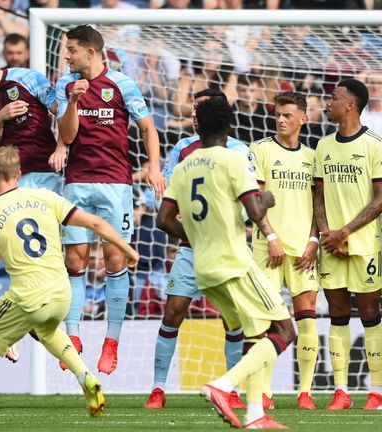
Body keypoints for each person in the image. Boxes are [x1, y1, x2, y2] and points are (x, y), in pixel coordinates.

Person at [0, 146, 139, 424]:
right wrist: (127, 249)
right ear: (18, 172)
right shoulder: (46, 197)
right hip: (62, 293)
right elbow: (96, 223)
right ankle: (85, 376)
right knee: (46, 330)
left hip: (29, 296)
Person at [157, 97, 294, 429]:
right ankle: (223, 385)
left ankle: (255, 415)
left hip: (203, 267)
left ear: (198, 126)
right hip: (234, 262)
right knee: (285, 331)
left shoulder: (184, 165)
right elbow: (254, 211)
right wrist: (268, 198)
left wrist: (198, 237)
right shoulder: (234, 160)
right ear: (230, 126)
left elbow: (163, 219)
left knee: (256, 333)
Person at [55, 25, 165, 374]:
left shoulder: (121, 84)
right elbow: (67, 135)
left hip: (115, 184)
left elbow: (148, 127)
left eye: (71, 50)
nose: (66, 56)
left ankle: (111, 342)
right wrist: (73, 100)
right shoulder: (64, 86)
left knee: (116, 259)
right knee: (75, 259)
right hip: (76, 182)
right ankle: (72, 337)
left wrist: (154, 168)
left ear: (91, 52)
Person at [144, 89, 247, 409]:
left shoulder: (241, 151)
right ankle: (158, 388)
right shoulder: (182, 149)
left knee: (234, 320)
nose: (193, 115)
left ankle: (233, 391)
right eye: (192, 109)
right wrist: (196, 235)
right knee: (173, 311)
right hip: (191, 250)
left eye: (199, 109)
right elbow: (166, 206)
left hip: (229, 250)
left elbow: (250, 204)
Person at [314, 78, 382, 411]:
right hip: (332, 246)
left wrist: (346, 232)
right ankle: (341, 391)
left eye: (333, 98)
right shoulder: (323, 145)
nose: (328, 103)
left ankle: (377, 391)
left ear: (350, 104)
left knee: (370, 313)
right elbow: (318, 196)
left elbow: (381, 199)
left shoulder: (374, 145)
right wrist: (329, 234)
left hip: (366, 244)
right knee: (337, 313)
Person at [249, 91, 319, 410]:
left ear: (303, 118)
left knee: (307, 319)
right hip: (268, 248)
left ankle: (305, 392)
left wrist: (313, 241)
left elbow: (319, 205)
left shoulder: (313, 157)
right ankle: (263, 392)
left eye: (288, 115)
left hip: (303, 250)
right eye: (278, 114)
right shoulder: (260, 150)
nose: (280, 120)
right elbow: (254, 199)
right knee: (266, 322)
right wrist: (271, 235)